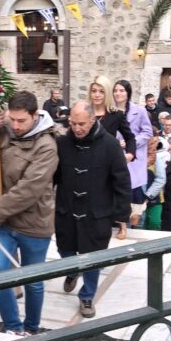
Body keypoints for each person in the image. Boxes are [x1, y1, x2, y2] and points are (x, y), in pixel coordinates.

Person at [0, 91, 57, 336]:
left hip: (33, 224)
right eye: (12, 119)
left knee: (33, 282)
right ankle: (13, 328)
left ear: (35, 116)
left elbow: (29, 190)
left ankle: (32, 329)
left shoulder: (47, 145)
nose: (15, 125)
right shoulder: (5, 130)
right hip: (3, 224)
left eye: (21, 121)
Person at [55, 102, 131, 318]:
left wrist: (121, 215)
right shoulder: (62, 143)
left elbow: (122, 181)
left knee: (93, 258)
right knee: (65, 251)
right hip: (66, 210)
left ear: (92, 120)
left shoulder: (110, 144)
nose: (77, 128)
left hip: (97, 213)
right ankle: (71, 271)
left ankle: (87, 296)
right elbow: (53, 175)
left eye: (81, 124)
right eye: (73, 123)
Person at [113, 79, 154, 235]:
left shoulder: (139, 111)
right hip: (115, 157)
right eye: (116, 90)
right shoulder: (110, 110)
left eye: (122, 90)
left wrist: (131, 143)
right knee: (117, 194)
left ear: (128, 93)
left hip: (134, 159)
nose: (118, 93)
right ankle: (121, 226)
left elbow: (147, 132)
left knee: (134, 197)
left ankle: (134, 229)